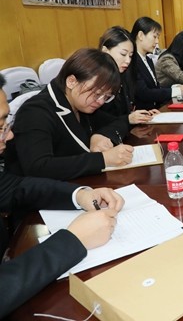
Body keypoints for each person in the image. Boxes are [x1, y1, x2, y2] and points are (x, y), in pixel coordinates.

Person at [0, 79, 124, 316]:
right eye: (1, 126)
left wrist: (81, 195)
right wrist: (73, 240)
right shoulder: (38, 111)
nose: (10, 134)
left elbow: (18, 188)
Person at [4, 48, 134, 181]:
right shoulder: (35, 112)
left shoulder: (81, 104)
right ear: (72, 81)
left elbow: (120, 121)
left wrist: (101, 135)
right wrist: (102, 159)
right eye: (97, 93)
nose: (100, 101)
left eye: (106, 97)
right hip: (37, 191)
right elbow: (38, 167)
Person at [130, 16, 183, 110]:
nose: (157, 42)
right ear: (141, 35)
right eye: (154, 37)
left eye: (158, 37)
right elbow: (144, 93)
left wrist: (177, 87)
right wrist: (177, 91)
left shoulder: (148, 60)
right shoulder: (132, 61)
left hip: (155, 110)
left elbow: (156, 88)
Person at [98, 26, 159, 124]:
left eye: (130, 56)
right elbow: (100, 121)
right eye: (123, 54)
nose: (128, 61)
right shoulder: (96, 80)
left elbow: (124, 112)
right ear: (105, 51)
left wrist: (141, 115)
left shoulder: (124, 76)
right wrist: (128, 119)